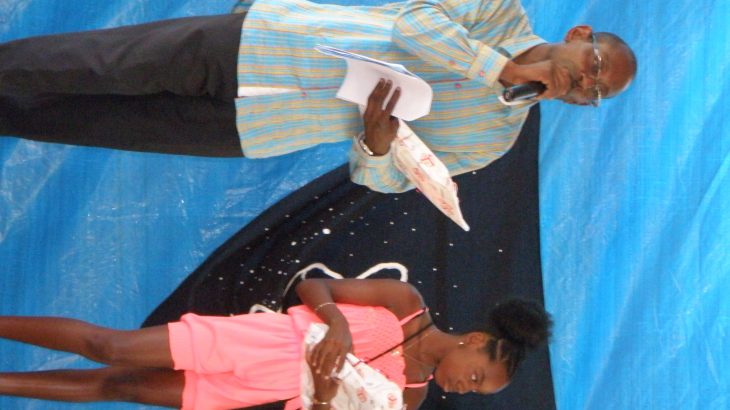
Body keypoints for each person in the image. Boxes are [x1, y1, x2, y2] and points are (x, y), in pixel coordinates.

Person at [0, 0, 637, 193]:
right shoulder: (499, 11)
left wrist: (377, 146)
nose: (586, 84)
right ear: (578, 35)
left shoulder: (494, 140)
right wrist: (496, 67)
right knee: (79, 63)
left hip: (256, 130)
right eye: (594, 66)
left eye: (596, 93)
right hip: (264, 42)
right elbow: (415, 22)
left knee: (81, 121)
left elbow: (392, 182)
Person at [0, 278, 551, 409]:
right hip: (258, 342)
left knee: (119, 387)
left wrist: (327, 396)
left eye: (475, 392)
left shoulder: (410, 396)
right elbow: (312, 287)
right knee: (110, 348)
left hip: (262, 389)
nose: (464, 386)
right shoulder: (406, 303)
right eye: (476, 374)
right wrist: (336, 325)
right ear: (475, 340)